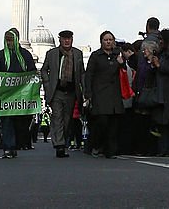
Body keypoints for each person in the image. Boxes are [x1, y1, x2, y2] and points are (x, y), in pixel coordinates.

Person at [39, 29, 85, 158]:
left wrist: (84, 91)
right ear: (60, 39)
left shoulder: (77, 54)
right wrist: (48, 85)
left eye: (69, 38)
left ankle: (63, 143)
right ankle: (59, 145)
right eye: (64, 38)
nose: (66, 41)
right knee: (57, 117)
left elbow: (82, 73)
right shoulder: (52, 54)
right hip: (57, 91)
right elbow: (44, 70)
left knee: (67, 119)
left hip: (71, 92)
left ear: (72, 39)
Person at [0, 27, 35, 159]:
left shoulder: (25, 55)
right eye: (7, 40)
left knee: (19, 122)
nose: (9, 43)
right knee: (6, 121)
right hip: (6, 95)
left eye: (11, 40)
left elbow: (32, 71)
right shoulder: (1, 55)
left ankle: (15, 144)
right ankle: (8, 147)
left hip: (21, 95)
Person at [84, 30, 124, 158]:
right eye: (106, 40)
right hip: (100, 94)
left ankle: (110, 151)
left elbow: (123, 72)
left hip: (115, 94)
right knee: (102, 122)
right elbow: (89, 74)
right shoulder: (96, 56)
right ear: (101, 41)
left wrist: (121, 63)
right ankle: (96, 145)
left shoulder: (117, 55)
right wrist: (88, 93)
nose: (108, 42)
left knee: (113, 124)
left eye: (110, 40)